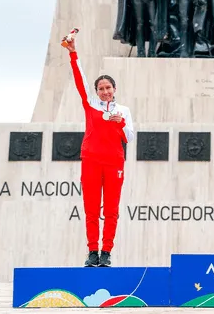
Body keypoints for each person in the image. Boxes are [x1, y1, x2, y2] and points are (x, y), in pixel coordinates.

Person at [62, 33, 135, 267]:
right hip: (91, 161)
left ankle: (107, 252)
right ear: (97, 91)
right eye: (101, 88)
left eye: (108, 87)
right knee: (91, 209)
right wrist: (73, 52)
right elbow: (80, 80)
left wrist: (120, 124)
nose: (105, 91)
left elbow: (130, 137)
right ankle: (92, 251)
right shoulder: (90, 103)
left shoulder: (123, 111)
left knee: (111, 210)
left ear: (114, 89)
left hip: (114, 163)